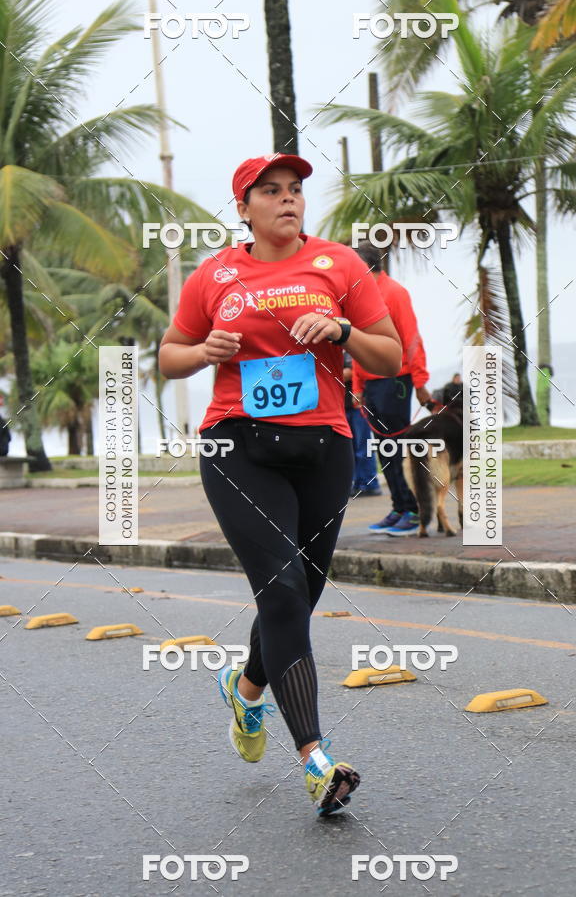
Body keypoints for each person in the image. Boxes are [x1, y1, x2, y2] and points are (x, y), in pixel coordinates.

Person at [158, 154, 402, 816]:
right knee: (284, 591)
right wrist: (205, 352)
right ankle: (316, 760)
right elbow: (169, 354)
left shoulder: (340, 266)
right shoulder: (215, 275)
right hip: (238, 448)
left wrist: (345, 331)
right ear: (244, 207)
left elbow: (391, 355)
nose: (287, 200)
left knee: (301, 593)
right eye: (270, 191)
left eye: (295, 190)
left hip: (324, 447)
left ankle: (244, 690)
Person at [351, 243, 431, 537]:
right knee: (384, 449)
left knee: (397, 446)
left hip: (396, 379)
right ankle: (398, 506)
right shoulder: (358, 296)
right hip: (371, 383)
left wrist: (421, 382)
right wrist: (358, 387)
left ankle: (413, 509)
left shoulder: (394, 292)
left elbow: (411, 339)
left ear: (365, 265)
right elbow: (358, 345)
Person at [343, 350, 382, 496]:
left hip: (359, 405)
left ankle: (370, 483)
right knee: (352, 448)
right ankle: (358, 484)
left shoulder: (350, 350)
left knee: (363, 446)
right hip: (345, 405)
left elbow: (349, 372)